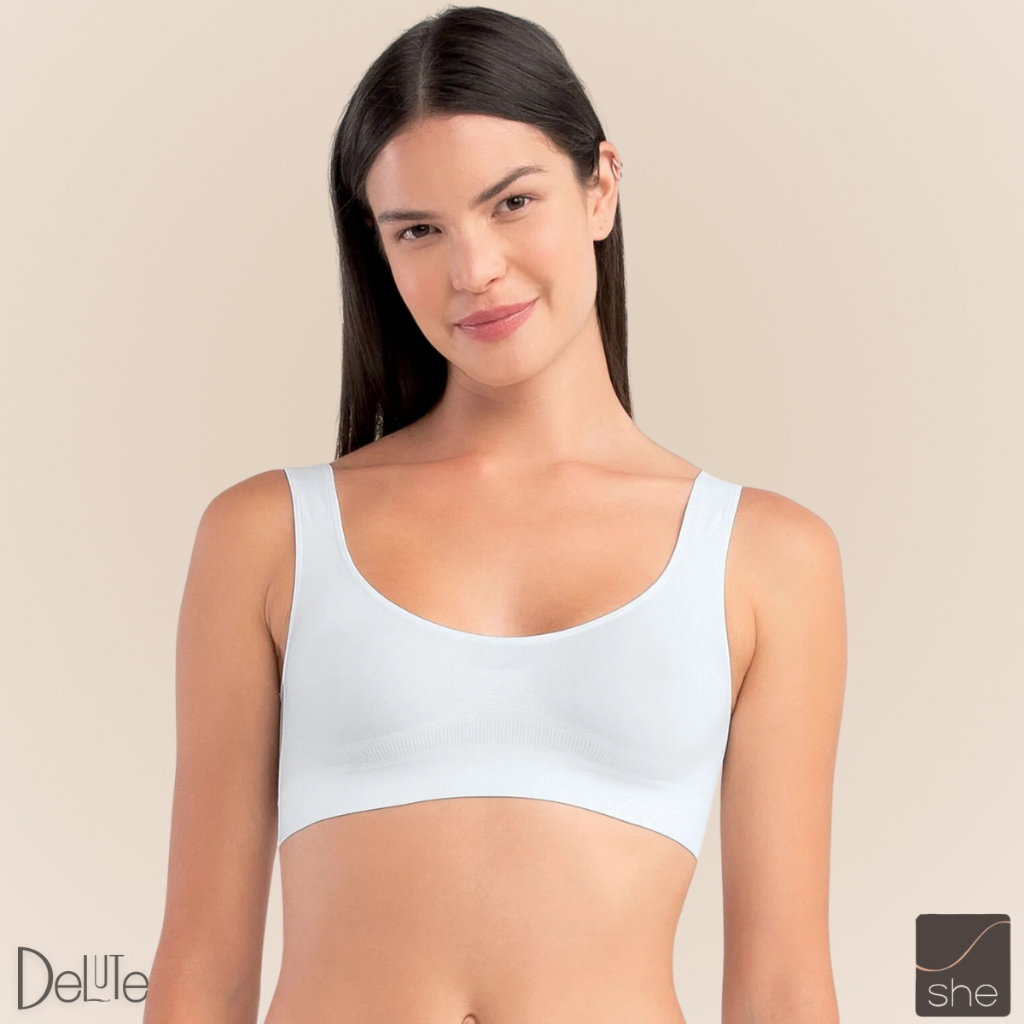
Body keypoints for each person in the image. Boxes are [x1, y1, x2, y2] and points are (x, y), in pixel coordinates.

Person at [144, 7, 846, 1024]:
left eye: (512, 203)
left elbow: (782, 987)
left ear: (601, 186)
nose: (472, 270)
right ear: (379, 249)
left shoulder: (766, 557)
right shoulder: (267, 537)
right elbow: (201, 972)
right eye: (418, 230)